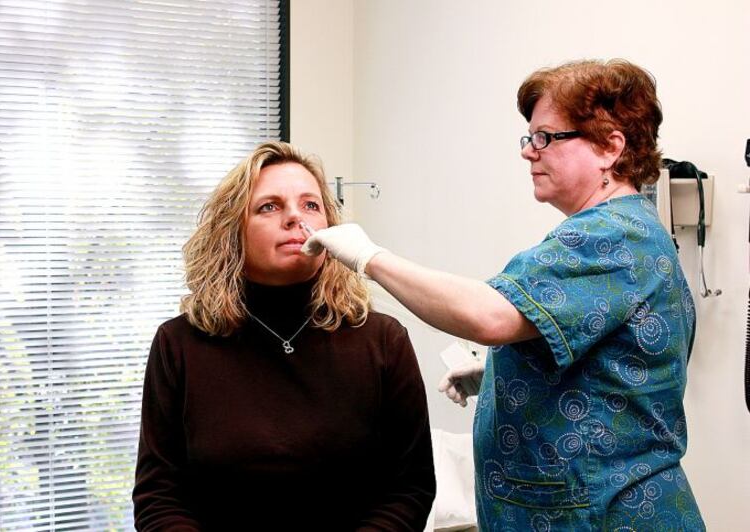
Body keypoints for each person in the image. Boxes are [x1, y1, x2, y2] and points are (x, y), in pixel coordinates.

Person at [303, 59, 705, 531]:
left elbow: (488, 317)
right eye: (529, 137)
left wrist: (367, 256)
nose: (529, 152)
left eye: (547, 137)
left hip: (604, 515)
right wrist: (505, 371)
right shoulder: (629, 230)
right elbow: (604, 362)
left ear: (609, 148)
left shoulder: (611, 236)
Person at [133, 141, 436, 531]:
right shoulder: (179, 344)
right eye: (269, 206)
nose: (295, 217)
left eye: (311, 205)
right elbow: (159, 496)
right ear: (233, 232)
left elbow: (409, 489)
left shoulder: (382, 340)